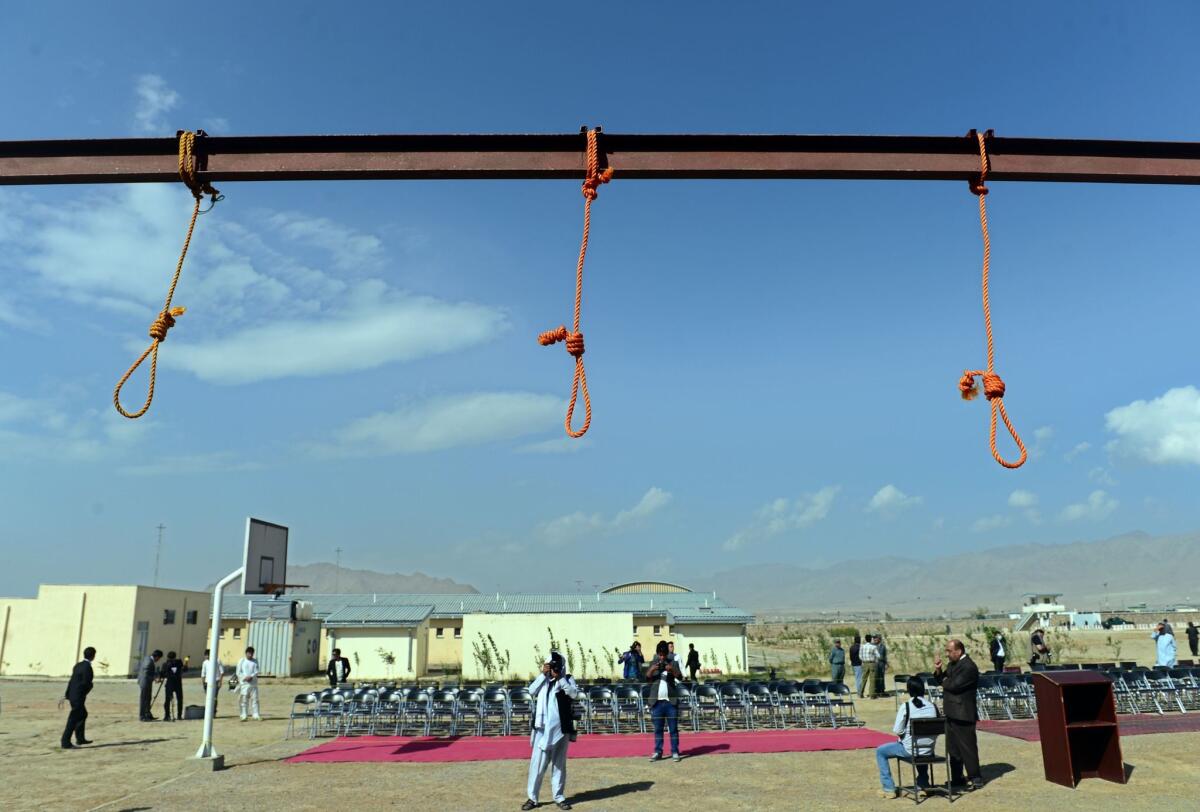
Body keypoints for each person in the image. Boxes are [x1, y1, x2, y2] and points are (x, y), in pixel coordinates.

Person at [523, 651, 580, 811]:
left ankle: (559, 797)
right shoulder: (543, 681)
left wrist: (560, 678)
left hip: (561, 730)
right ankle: (532, 798)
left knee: (559, 765)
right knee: (537, 766)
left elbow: (574, 694)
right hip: (542, 729)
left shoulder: (567, 679)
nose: (554, 668)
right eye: (551, 665)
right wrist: (543, 675)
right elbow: (531, 691)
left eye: (556, 665)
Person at [874, 676, 938, 798]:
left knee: (880, 751)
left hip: (911, 750)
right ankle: (923, 784)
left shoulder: (907, 706)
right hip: (929, 751)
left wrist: (903, 736)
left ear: (909, 690)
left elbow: (897, 730)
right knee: (921, 746)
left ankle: (889, 788)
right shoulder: (932, 706)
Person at [933, 640, 983, 791]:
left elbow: (954, 686)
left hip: (963, 714)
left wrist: (945, 681)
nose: (947, 654)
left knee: (967, 747)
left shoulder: (968, 667)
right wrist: (938, 670)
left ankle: (975, 777)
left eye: (949, 651)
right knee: (953, 748)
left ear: (959, 651)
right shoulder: (953, 664)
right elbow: (941, 680)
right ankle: (957, 778)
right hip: (951, 712)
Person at [647, 640, 684, 762]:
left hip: (670, 702)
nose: (662, 657)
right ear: (657, 653)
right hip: (656, 702)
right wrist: (652, 670)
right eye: (660, 654)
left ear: (667, 654)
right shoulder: (653, 663)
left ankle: (675, 752)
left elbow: (680, 677)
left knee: (673, 729)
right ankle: (658, 751)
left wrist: (672, 669)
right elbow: (647, 679)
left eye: (664, 654)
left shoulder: (672, 662)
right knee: (658, 729)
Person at [61, 646, 96, 749]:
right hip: (78, 696)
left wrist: (67, 694)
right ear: (93, 656)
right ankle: (65, 742)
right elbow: (86, 683)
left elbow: (71, 680)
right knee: (73, 718)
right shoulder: (87, 667)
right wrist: (88, 689)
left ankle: (80, 738)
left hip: (73, 695)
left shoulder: (78, 665)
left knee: (83, 714)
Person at [236, 646, 262, 721]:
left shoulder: (255, 661)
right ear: (246, 653)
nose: (250, 655)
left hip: (253, 683)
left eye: (251, 653)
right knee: (244, 699)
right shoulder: (242, 661)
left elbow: (256, 671)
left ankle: (256, 714)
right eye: (249, 653)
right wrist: (245, 677)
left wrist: (251, 677)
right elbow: (238, 672)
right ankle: (244, 715)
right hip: (244, 684)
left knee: (255, 699)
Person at [138, 650, 163, 721]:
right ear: (157, 657)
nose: (158, 660)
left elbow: (150, 671)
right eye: (159, 658)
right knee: (144, 699)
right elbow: (146, 674)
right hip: (145, 682)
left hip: (147, 682)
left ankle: (148, 714)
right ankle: (142, 716)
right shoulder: (149, 662)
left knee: (148, 698)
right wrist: (155, 679)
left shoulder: (148, 659)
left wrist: (155, 677)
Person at [160, 651, 185, 721]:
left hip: (169, 684)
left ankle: (167, 715)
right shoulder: (179, 662)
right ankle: (179, 715)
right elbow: (184, 669)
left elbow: (162, 674)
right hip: (178, 684)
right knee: (179, 699)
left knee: (167, 700)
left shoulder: (165, 664)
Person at [200, 649, 224, 714]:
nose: (206, 656)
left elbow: (222, 672)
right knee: (208, 697)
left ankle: (214, 711)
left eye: (207, 655)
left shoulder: (217, 660)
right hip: (207, 682)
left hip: (216, 681)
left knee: (214, 697)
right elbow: (203, 673)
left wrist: (220, 681)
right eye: (205, 655)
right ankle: (208, 711)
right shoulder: (205, 663)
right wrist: (203, 683)